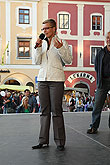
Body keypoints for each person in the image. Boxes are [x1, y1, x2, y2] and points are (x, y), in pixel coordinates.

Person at [32, 18, 72, 151]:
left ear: (54, 29)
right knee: (44, 111)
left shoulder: (62, 42)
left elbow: (68, 60)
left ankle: (60, 142)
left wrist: (60, 48)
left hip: (56, 80)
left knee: (57, 111)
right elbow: (36, 62)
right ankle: (43, 140)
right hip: (42, 80)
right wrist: (37, 48)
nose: (44, 31)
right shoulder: (41, 43)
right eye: (43, 29)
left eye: (47, 28)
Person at [87, 31, 110, 134]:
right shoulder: (101, 52)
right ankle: (94, 127)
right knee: (97, 106)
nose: (109, 39)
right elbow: (96, 66)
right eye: (108, 38)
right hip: (103, 82)